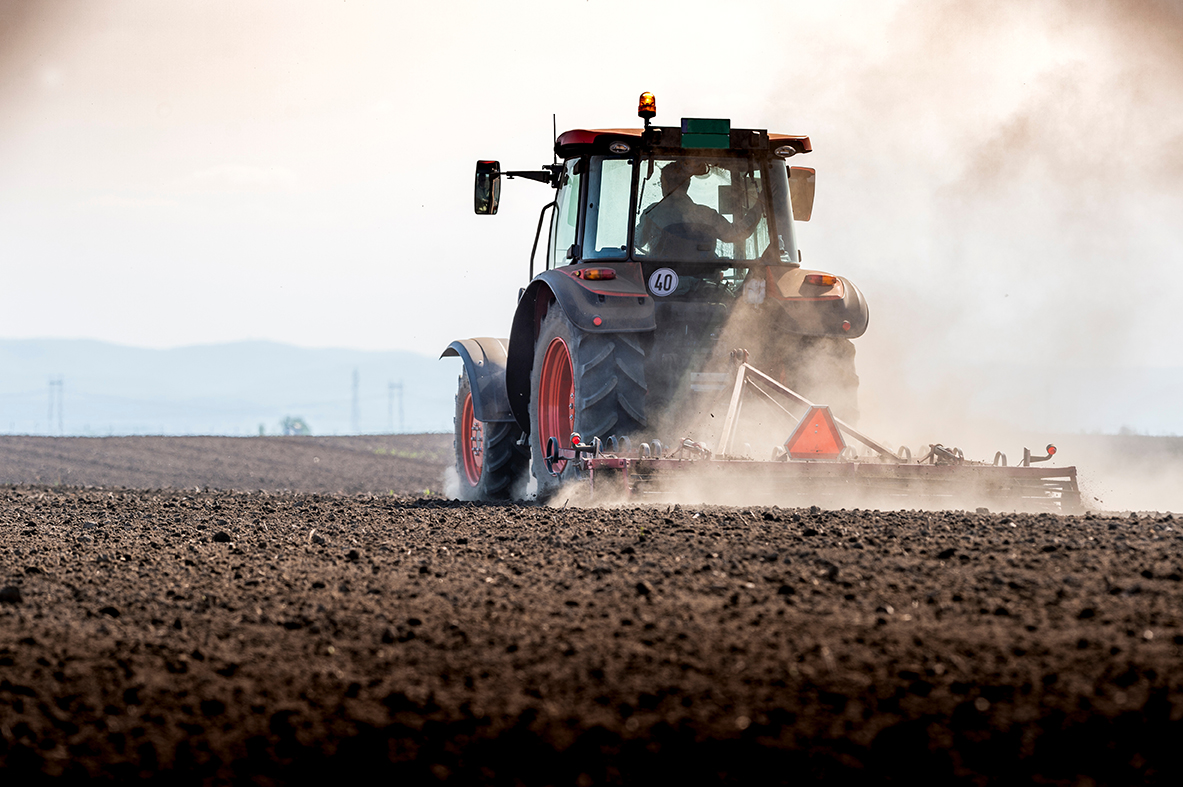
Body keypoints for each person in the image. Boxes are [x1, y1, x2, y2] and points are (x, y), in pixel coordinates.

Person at [637, 160, 762, 259]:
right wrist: (759, 206)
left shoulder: (652, 213)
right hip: (703, 286)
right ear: (688, 184)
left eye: (661, 182)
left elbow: (637, 241)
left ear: (665, 185)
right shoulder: (706, 215)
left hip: (658, 285)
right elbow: (736, 234)